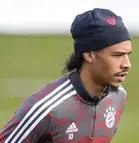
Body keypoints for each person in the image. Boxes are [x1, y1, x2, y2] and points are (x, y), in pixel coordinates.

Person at [0, 8, 132, 143]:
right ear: (89, 54)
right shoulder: (46, 108)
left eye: (128, 55)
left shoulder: (118, 97)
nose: (127, 64)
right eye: (118, 55)